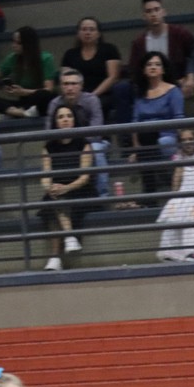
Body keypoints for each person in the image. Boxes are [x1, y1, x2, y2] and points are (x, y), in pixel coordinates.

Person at [115, 0, 194, 125]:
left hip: (177, 80)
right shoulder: (139, 42)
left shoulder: (180, 33)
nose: (153, 14)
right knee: (121, 88)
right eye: (149, 11)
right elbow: (134, 69)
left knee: (185, 90)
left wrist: (190, 76)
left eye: (156, 10)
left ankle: (188, 130)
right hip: (148, 82)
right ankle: (126, 132)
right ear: (144, 16)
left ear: (163, 12)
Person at [40, 104, 96, 271]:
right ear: (55, 122)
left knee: (57, 201)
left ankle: (55, 257)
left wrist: (66, 188)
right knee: (53, 201)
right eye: (61, 117)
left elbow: (84, 177)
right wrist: (50, 188)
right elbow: (45, 176)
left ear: (74, 120)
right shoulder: (48, 146)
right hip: (58, 191)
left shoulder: (84, 144)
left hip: (80, 190)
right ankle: (69, 237)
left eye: (69, 116)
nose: (65, 119)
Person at [155, 128, 194, 262]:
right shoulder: (179, 155)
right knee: (173, 215)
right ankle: (171, 253)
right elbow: (177, 176)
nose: (187, 143)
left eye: (190, 139)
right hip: (184, 190)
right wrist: (174, 194)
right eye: (184, 140)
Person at [47, 67, 109, 197]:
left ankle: (103, 197)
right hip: (64, 144)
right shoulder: (54, 103)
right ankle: (57, 194)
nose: (70, 88)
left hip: (93, 142)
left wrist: (78, 143)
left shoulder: (92, 100)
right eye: (66, 84)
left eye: (73, 84)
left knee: (95, 150)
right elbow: (49, 131)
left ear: (81, 85)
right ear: (61, 87)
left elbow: (96, 132)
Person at [129, 50, 183, 198]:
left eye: (157, 64)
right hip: (145, 139)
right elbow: (135, 122)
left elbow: (179, 118)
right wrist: (136, 148)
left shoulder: (173, 91)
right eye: (149, 64)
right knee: (145, 141)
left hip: (167, 136)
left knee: (153, 143)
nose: (153, 67)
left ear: (163, 69)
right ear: (144, 70)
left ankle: (150, 193)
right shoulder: (140, 93)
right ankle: (151, 192)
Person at [0, 25, 55, 120]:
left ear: (28, 44)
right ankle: (16, 112)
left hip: (36, 101)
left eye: (18, 43)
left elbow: (48, 89)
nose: (14, 45)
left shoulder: (46, 59)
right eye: (13, 41)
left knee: (44, 95)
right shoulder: (13, 58)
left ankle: (11, 113)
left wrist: (24, 92)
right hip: (21, 104)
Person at [60, 16, 121, 114]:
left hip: (103, 94)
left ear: (98, 33)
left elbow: (112, 77)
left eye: (92, 29)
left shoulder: (109, 50)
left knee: (97, 104)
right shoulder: (70, 54)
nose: (87, 33)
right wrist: (77, 96)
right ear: (78, 33)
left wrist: (92, 96)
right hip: (77, 95)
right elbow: (65, 78)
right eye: (84, 29)